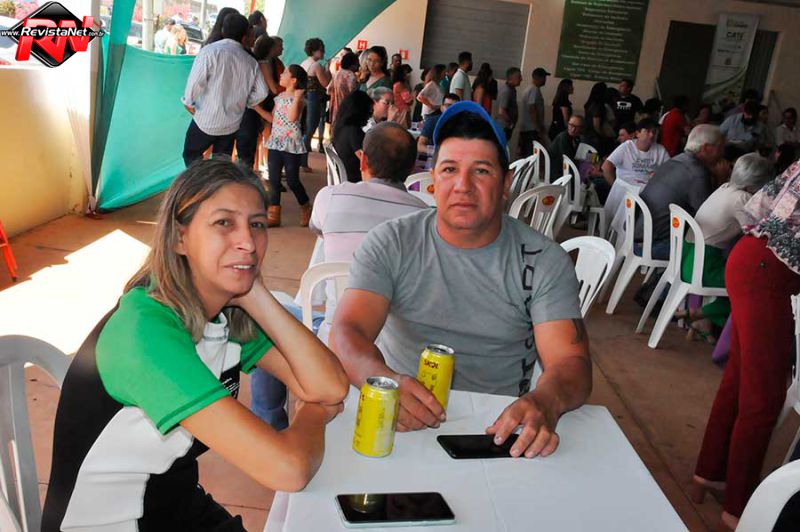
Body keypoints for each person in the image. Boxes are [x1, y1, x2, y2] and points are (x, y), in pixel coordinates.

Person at [41, 160, 349, 531]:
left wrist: (255, 294)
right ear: (178, 238)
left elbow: (331, 386)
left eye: (256, 224)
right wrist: (314, 415)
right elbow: (288, 469)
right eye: (224, 223)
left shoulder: (223, 309)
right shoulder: (145, 334)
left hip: (177, 504)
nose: (248, 242)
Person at [330, 101, 591, 458]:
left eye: (481, 171)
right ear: (433, 180)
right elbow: (347, 331)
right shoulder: (391, 242)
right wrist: (382, 379)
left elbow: (571, 363)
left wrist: (546, 400)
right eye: (450, 169)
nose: (463, 186)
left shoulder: (543, 261)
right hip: (397, 418)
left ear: (506, 184)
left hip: (497, 428)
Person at [692, 160, 800, 530]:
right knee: (764, 397)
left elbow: (758, 206)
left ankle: (710, 472)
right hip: (767, 276)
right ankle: (738, 507)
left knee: (739, 380)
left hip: (751, 260)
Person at [310, 122, 428, 343]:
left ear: (363, 160)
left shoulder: (331, 196)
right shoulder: (424, 217)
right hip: (393, 347)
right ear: (412, 168)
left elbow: (317, 229)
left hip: (333, 339)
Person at [678, 153, 774, 341]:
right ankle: (701, 314)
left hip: (688, 259)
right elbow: (759, 233)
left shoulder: (725, 188)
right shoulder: (742, 198)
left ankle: (702, 318)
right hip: (703, 267)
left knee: (741, 276)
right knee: (754, 285)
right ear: (753, 186)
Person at [181, 13, 269, 167]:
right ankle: (216, 181)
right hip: (231, 124)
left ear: (223, 29)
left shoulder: (209, 51)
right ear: (244, 36)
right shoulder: (250, 62)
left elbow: (195, 83)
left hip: (205, 120)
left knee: (191, 155)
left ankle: (203, 180)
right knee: (221, 164)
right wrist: (246, 102)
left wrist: (188, 102)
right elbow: (263, 92)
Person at [637, 124, 723, 259]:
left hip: (638, 234)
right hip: (656, 244)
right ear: (706, 148)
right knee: (718, 250)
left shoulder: (676, 160)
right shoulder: (697, 173)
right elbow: (708, 214)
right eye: (720, 147)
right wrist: (721, 180)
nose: (722, 153)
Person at [264, 65, 310, 228]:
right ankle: (273, 213)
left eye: (285, 73)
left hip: (291, 144)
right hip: (276, 141)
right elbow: (273, 118)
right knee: (273, 179)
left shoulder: (300, 99)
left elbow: (291, 118)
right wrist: (256, 108)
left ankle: (305, 206)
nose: (281, 75)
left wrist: (297, 98)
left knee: (292, 180)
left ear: (294, 80)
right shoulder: (279, 97)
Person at [602, 118, 670, 227]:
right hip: (624, 190)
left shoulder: (660, 150)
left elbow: (669, 171)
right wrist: (615, 185)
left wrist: (659, 176)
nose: (652, 135)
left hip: (648, 193)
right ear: (637, 133)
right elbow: (606, 166)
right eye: (647, 131)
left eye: (654, 132)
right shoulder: (627, 147)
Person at [300, 38, 332, 167]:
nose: (323, 52)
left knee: (304, 130)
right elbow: (325, 83)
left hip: (303, 98)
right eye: (321, 50)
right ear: (314, 51)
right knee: (309, 130)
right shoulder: (316, 65)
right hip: (313, 98)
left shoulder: (304, 63)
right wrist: (328, 69)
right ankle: (303, 162)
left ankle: (302, 161)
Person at [332, 91, 374, 182]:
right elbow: (366, 161)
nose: (370, 116)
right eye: (369, 111)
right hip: (355, 179)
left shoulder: (340, 127)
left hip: (345, 176)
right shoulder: (354, 132)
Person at [518, 67, 549, 157]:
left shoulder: (530, 89)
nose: (545, 80)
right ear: (539, 78)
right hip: (531, 128)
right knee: (530, 154)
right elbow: (532, 108)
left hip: (528, 128)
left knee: (526, 153)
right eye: (544, 77)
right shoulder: (534, 90)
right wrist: (538, 127)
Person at [329, 51, 359, 125]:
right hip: (346, 110)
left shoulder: (337, 73)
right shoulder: (351, 76)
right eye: (357, 63)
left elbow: (329, 90)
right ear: (352, 65)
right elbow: (354, 95)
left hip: (336, 109)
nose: (359, 65)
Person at [496, 67, 521, 142]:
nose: (521, 79)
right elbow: (501, 111)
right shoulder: (506, 91)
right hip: (503, 127)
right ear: (511, 78)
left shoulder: (512, 90)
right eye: (519, 77)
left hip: (506, 126)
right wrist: (511, 123)